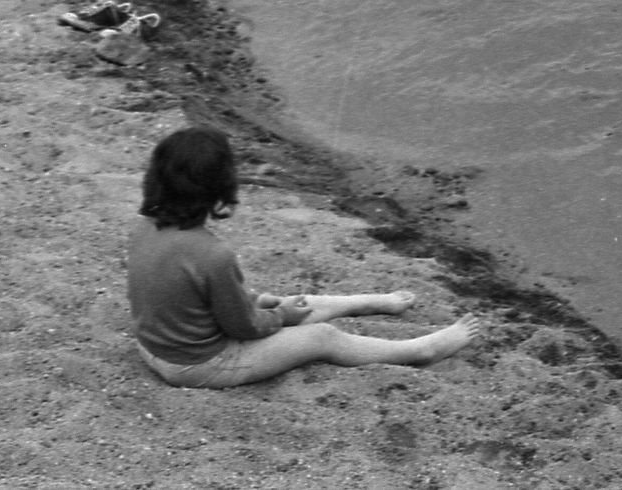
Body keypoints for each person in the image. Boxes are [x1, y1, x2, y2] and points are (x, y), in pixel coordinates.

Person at [127, 127, 483, 388]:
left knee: (285, 303)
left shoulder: (143, 227)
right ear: (218, 188)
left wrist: (267, 306)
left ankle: (370, 302)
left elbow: (185, 295)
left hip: (154, 347)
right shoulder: (212, 254)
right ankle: (421, 351)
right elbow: (243, 329)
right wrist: (280, 316)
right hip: (197, 365)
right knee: (321, 337)